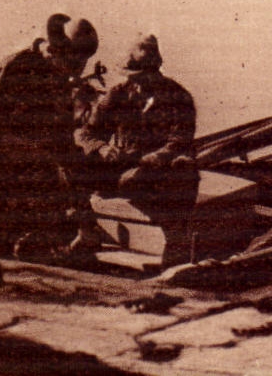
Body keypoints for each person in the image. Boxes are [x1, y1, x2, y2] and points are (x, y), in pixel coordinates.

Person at [0, 13, 99, 260]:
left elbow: (63, 139)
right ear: (55, 51)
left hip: (34, 157)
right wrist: (34, 152)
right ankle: (12, 246)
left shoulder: (59, 77)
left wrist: (85, 213)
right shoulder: (16, 66)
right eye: (73, 64)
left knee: (70, 169)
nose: (75, 73)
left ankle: (50, 242)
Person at [79, 34, 199, 267]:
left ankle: (176, 243)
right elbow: (87, 133)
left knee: (185, 168)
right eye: (131, 76)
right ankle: (85, 232)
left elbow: (179, 142)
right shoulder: (119, 93)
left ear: (154, 71)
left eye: (140, 77)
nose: (134, 82)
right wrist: (103, 148)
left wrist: (148, 162)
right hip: (120, 168)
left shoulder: (179, 98)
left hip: (159, 170)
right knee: (74, 160)